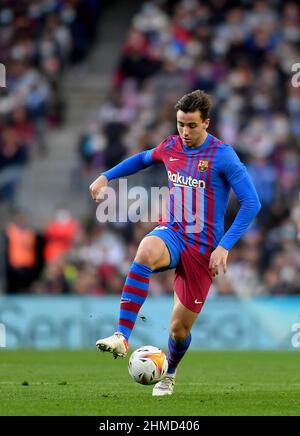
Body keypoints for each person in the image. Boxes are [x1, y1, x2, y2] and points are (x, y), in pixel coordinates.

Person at [89, 90, 261, 396]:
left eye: (192, 125)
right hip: (174, 230)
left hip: (203, 249)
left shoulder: (223, 156)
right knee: (145, 250)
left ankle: (170, 372)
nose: (185, 131)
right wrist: (106, 176)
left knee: (178, 331)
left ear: (206, 123)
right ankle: (122, 335)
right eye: (181, 123)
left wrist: (224, 246)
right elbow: (142, 159)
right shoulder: (171, 145)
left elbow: (251, 203)